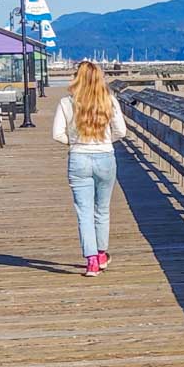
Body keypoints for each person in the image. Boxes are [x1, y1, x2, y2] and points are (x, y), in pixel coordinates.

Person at [52, 61, 128, 276]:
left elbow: (57, 134)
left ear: (77, 78)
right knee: (102, 209)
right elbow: (121, 131)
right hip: (105, 157)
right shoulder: (109, 102)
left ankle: (92, 260)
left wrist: (75, 142)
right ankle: (102, 254)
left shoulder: (67, 103)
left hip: (78, 158)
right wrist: (105, 141)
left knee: (84, 212)